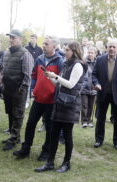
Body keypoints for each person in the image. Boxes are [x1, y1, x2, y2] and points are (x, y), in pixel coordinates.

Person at [35, 41, 87, 173]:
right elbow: (60, 84)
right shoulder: (66, 63)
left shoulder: (78, 65)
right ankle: (50, 162)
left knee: (67, 136)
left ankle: (66, 163)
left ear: (74, 51)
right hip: (59, 103)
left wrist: (56, 76)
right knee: (54, 134)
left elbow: (70, 85)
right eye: (65, 49)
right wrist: (50, 78)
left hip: (70, 105)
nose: (65, 52)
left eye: (68, 50)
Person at [13, 35, 64, 161]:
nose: (44, 46)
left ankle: (46, 151)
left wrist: (55, 93)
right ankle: (25, 149)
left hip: (51, 100)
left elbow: (61, 81)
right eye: (44, 43)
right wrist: (33, 89)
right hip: (38, 98)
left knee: (50, 127)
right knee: (30, 123)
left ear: (54, 46)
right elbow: (34, 75)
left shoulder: (60, 61)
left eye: (47, 44)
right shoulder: (40, 59)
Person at [92, 39, 117, 150]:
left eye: (114, 47)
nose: (112, 49)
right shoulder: (99, 60)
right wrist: (96, 83)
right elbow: (94, 74)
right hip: (102, 93)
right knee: (100, 118)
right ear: (106, 48)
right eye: (110, 47)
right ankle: (99, 140)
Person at [2, 29, 33, 151]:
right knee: (10, 113)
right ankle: (14, 136)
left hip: (19, 90)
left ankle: (13, 139)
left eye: (13, 38)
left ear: (20, 39)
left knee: (18, 115)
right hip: (8, 89)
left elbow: (27, 76)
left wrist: (22, 89)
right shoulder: (7, 52)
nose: (11, 40)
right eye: (10, 37)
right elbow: (4, 70)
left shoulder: (25, 54)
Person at [81, 46, 97, 128]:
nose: (90, 54)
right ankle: (84, 121)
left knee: (91, 105)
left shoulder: (97, 63)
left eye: (92, 53)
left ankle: (89, 120)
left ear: (95, 54)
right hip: (84, 87)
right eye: (89, 53)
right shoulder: (83, 62)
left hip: (94, 88)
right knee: (84, 105)